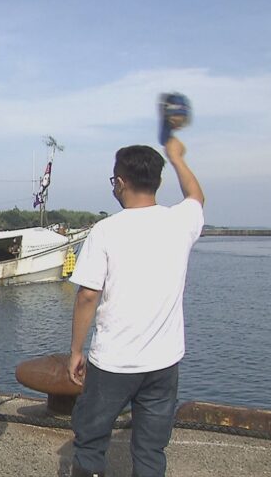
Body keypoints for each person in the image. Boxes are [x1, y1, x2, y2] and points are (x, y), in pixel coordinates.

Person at [68, 136, 204, 477]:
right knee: (150, 447)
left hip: (114, 360)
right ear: (157, 181)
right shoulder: (180, 222)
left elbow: (87, 295)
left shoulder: (105, 231)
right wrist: (176, 157)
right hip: (164, 361)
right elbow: (196, 197)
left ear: (121, 182)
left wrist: (75, 350)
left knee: (91, 439)